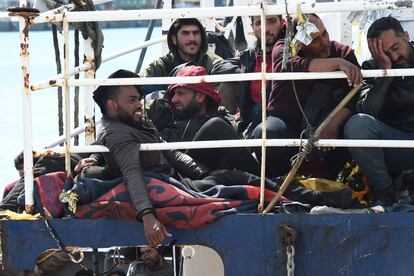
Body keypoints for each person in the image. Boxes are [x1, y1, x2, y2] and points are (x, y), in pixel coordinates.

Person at [89, 69, 354, 246]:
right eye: (133, 99)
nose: (139, 104)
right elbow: (132, 172)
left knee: (236, 177)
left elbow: (169, 151)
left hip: (180, 179)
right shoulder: (118, 134)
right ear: (112, 105)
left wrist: (201, 172)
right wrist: (147, 217)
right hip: (170, 187)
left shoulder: (136, 124)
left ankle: (308, 196)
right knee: (242, 179)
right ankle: (313, 199)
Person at [252, 13, 363, 178]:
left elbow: (355, 94)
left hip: (327, 123)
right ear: (299, 43)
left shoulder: (342, 52)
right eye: (315, 39)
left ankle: (332, 185)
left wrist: (334, 123)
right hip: (287, 124)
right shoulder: (282, 50)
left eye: (324, 33)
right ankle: (279, 185)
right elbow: (291, 64)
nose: (325, 42)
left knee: (354, 126)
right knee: (266, 132)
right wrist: (338, 64)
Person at [343, 16, 414, 205]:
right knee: (357, 124)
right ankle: (384, 193)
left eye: (395, 48)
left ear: (406, 36)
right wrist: (385, 73)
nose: (394, 57)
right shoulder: (372, 68)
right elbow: (366, 112)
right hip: (396, 146)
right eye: (384, 53)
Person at [147, 64, 260, 175]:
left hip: (212, 176)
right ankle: (266, 182)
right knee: (215, 126)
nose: (174, 99)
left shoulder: (224, 119)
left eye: (180, 93)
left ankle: (265, 183)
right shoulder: (166, 118)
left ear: (200, 97)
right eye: (174, 93)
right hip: (181, 173)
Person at [139, 18, 222, 94]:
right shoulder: (162, 64)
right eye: (185, 33)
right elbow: (137, 82)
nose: (192, 38)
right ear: (174, 39)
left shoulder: (214, 64)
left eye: (196, 33)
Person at [237, 13, 285, 134]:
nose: (265, 28)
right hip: (249, 117)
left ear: (282, 23)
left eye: (272, 21)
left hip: (277, 123)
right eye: (259, 23)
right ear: (252, 27)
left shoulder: (292, 54)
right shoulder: (249, 55)